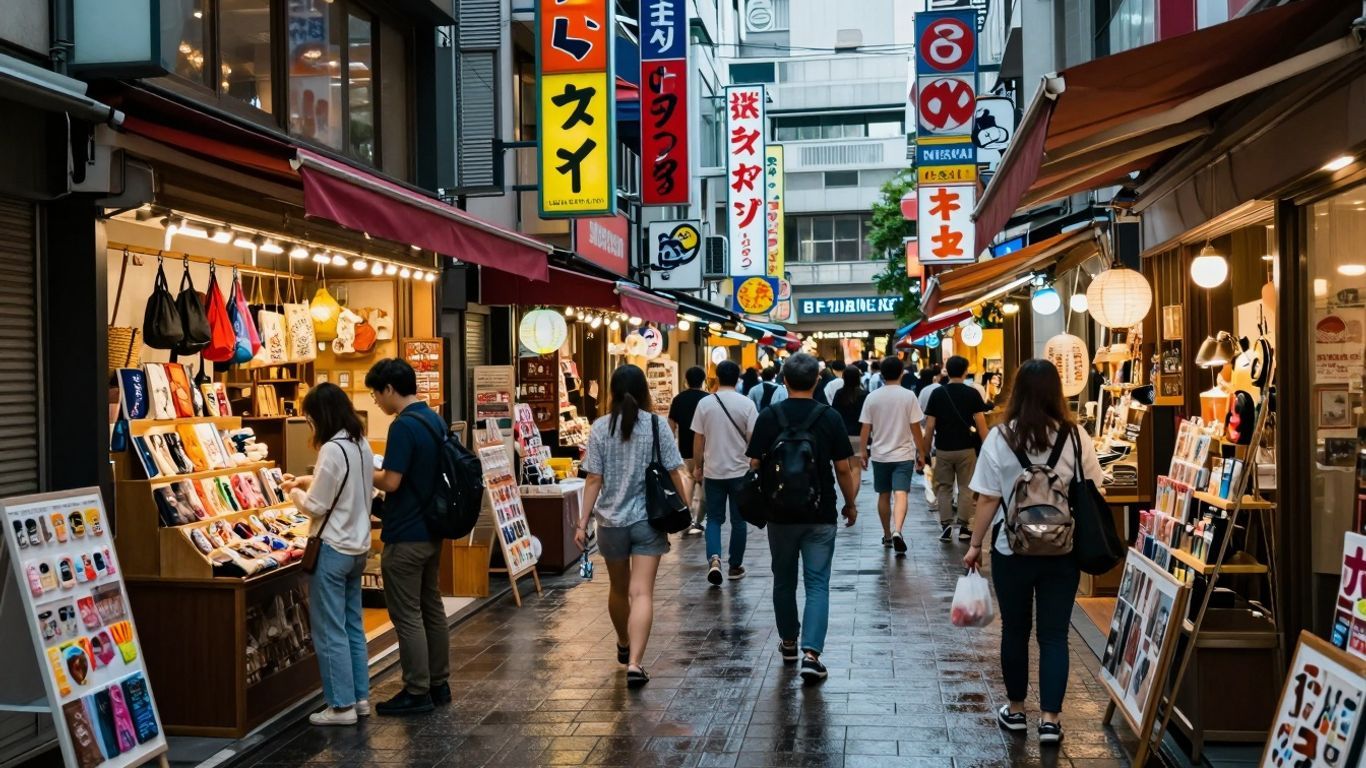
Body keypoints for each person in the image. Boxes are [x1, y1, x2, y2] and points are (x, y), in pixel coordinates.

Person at [963, 359, 1104, 746]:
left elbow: (988, 499)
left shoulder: (1000, 437)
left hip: (1013, 550)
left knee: (1015, 630)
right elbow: (1095, 488)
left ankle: (1016, 710)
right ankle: (1051, 721)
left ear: (1017, 391)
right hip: (1063, 551)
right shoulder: (1076, 437)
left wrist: (975, 545)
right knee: (1055, 635)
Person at [745, 353, 858, 682]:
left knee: (783, 580)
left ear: (783, 380)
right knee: (818, 582)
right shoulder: (829, 417)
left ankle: (789, 642)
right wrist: (850, 504)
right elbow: (843, 468)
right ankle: (812, 654)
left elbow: (753, 464)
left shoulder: (769, 416)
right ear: (817, 381)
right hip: (820, 511)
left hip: (779, 513)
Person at [574, 365, 689, 688]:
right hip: (648, 521)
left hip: (610, 522)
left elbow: (593, 478)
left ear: (611, 391)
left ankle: (623, 643)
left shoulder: (599, 428)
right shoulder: (656, 425)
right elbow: (676, 470)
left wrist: (582, 523)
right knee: (641, 593)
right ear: (644, 392)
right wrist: (685, 507)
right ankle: (636, 663)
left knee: (618, 589)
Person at [282, 383, 375, 726]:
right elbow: (347, 488)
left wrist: (293, 492)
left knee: (328, 629)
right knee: (352, 626)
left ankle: (341, 706)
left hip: (332, 550)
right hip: (358, 549)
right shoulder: (360, 443)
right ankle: (360, 698)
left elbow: (317, 506)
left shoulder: (332, 449)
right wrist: (308, 481)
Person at [366, 359, 451, 716]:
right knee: (431, 606)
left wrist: (365, 469)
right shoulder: (433, 418)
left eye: (375, 393)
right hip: (432, 529)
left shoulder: (403, 426)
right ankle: (438, 683)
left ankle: (416, 690)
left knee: (406, 614)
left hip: (406, 533)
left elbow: (391, 481)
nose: (376, 401)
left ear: (389, 389)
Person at [690, 360, 759, 585]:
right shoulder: (747, 404)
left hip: (713, 471)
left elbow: (698, 440)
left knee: (714, 519)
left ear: (717, 377)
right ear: (737, 377)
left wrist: (697, 466)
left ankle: (715, 560)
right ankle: (735, 566)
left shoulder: (705, 404)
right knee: (739, 521)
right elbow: (753, 438)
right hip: (740, 471)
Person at [857, 356, 928, 553]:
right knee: (901, 493)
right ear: (902, 373)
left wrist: (863, 452)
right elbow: (916, 428)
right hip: (903, 454)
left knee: (883, 495)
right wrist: (922, 453)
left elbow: (865, 428)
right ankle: (898, 530)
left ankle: (887, 534)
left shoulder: (872, 397)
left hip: (880, 455)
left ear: (881, 373)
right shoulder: (908, 396)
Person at [923, 355, 990, 542]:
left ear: (947, 370)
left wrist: (925, 450)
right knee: (966, 488)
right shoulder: (972, 393)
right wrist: (988, 447)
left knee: (943, 488)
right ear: (965, 371)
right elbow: (982, 424)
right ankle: (962, 527)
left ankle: (945, 526)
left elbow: (929, 426)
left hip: (944, 448)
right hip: (967, 449)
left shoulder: (937, 393)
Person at [668, 366, 710, 536]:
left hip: (684, 451)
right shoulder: (708, 399)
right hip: (706, 452)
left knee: (687, 488)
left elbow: (671, 426)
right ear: (703, 380)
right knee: (705, 491)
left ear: (686, 380)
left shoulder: (678, 399)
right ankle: (699, 521)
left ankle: (687, 519)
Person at [830, 366, 867, 489]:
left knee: (843, 468)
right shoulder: (863, 395)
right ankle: (852, 501)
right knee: (856, 468)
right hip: (857, 435)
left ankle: (848, 499)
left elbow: (834, 414)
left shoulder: (839, 393)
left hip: (841, 435)